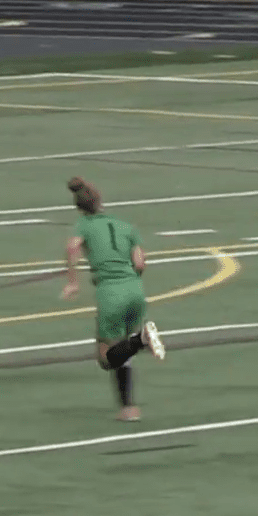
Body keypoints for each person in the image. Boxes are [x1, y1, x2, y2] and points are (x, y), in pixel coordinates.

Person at [60, 177, 165, 422]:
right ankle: (128, 408)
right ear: (100, 201)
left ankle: (142, 340)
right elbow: (140, 263)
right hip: (135, 291)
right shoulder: (126, 226)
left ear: (79, 208)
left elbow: (72, 248)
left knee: (107, 358)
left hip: (110, 293)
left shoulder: (84, 225)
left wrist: (73, 282)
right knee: (122, 350)